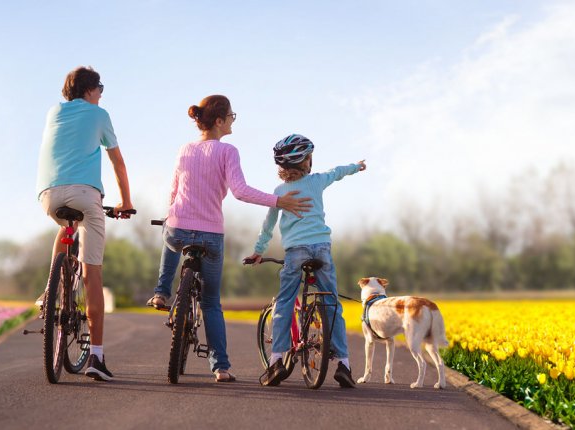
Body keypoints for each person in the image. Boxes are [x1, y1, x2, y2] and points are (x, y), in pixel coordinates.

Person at [148, 95, 312, 382]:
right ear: (220, 121)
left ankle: (162, 290)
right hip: (211, 234)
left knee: (169, 236)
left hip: (178, 229)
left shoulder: (184, 149)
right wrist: (278, 201)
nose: (233, 121)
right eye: (232, 116)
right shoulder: (228, 151)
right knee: (211, 301)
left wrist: (171, 216)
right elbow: (240, 191)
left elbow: (173, 192)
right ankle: (220, 367)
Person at [245, 134, 366, 388]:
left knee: (285, 302)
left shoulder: (279, 192)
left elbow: (268, 226)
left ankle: (277, 360)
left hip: (295, 252)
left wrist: (258, 250)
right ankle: (344, 364)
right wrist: (357, 167)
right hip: (322, 249)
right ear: (306, 162)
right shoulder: (317, 181)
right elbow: (337, 172)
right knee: (332, 303)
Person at [36, 66, 133, 381]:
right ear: (91, 90)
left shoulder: (54, 111)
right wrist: (126, 202)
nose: (102, 93)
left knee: (65, 228)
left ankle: (50, 290)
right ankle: (97, 357)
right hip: (86, 195)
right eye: (101, 88)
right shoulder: (99, 114)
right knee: (93, 273)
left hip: (49, 195)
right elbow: (117, 160)